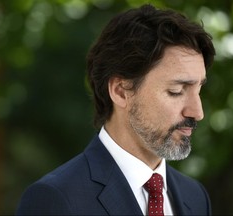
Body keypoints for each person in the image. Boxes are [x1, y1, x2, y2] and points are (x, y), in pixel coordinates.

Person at [16, 4, 215, 216]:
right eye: (176, 91)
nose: (197, 112)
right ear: (121, 91)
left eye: (199, 89)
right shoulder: (55, 200)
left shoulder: (195, 197)